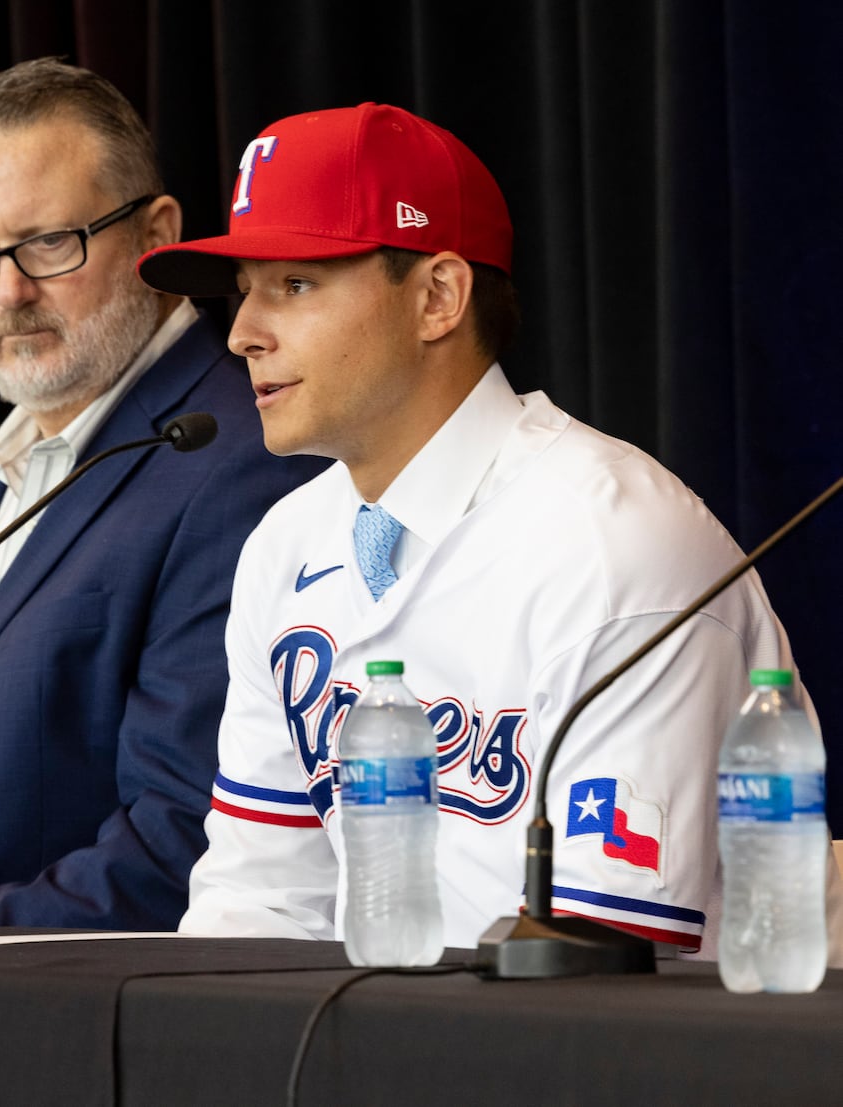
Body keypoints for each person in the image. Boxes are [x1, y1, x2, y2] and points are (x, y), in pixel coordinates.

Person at [138, 102, 842, 954]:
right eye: (245, 292)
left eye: (295, 284)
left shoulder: (613, 544)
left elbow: (602, 956)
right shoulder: (286, 546)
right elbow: (258, 904)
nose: (245, 333)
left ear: (438, 296)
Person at [0, 58, 323, 929]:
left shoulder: (242, 464)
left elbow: (181, 841)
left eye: (49, 243)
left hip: (29, 1022)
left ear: (157, 233)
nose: (9, 291)